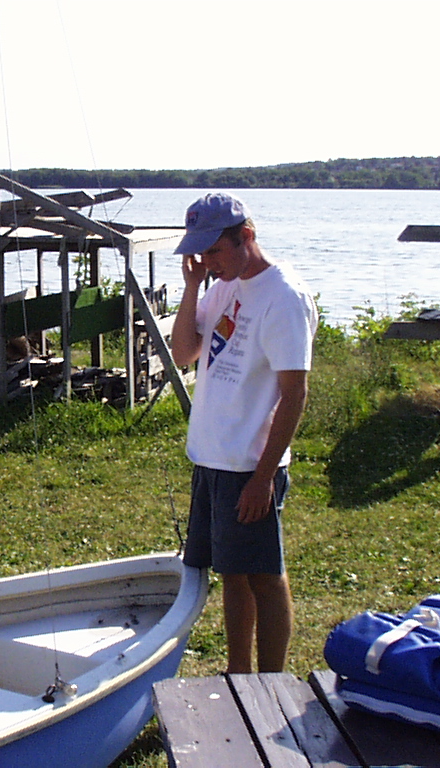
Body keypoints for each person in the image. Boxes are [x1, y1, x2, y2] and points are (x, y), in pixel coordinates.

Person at [170, 192, 317, 673]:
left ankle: (270, 680)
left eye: (215, 250)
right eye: (201, 252)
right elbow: (184, 352)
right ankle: (238, 672)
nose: (208, 261)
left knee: (264, 577)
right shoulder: (223, 287)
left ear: (246, 236)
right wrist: (193, 287)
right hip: (213, 457)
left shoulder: (283, 296)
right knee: (232, 573)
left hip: (250, 464)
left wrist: (263, 477)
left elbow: (294, 394)